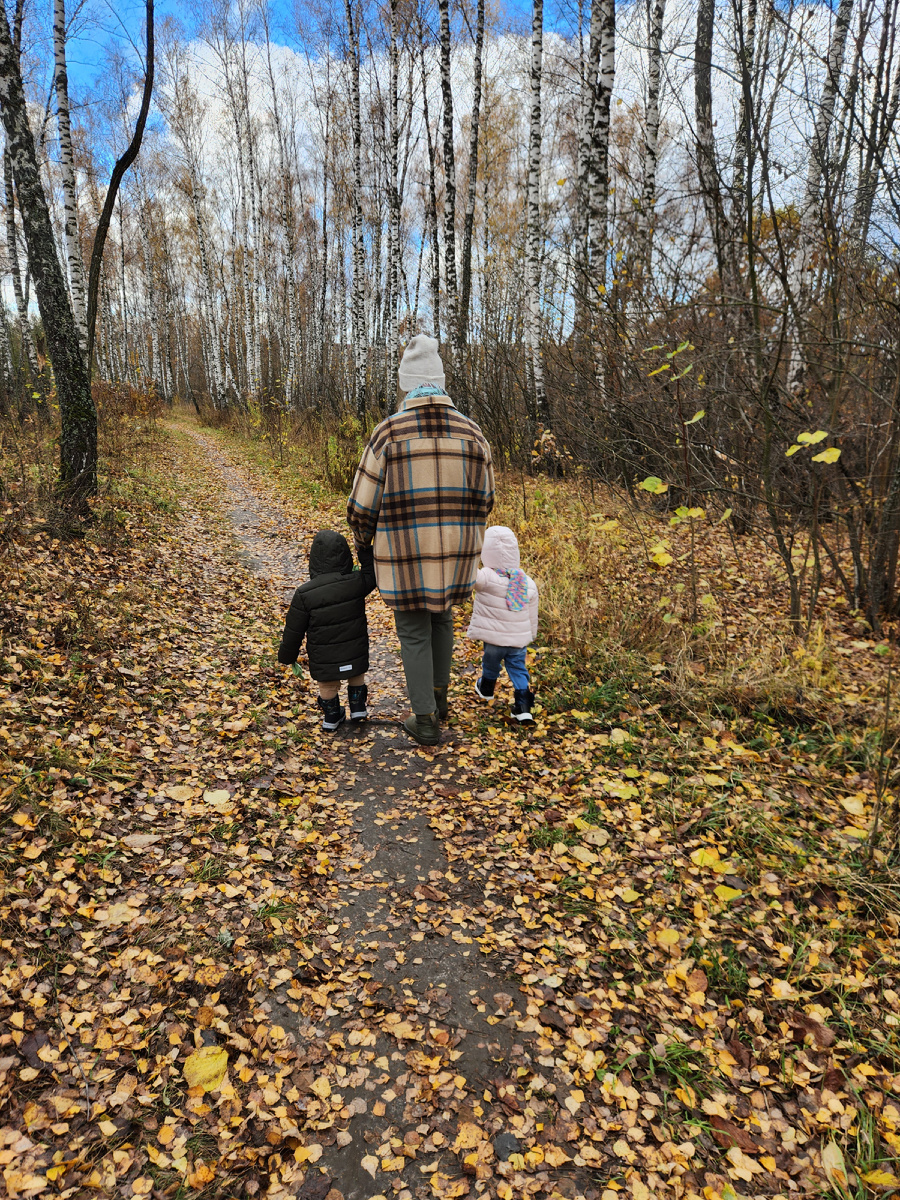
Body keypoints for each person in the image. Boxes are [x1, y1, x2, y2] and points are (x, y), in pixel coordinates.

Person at [347, 335, 494, 746]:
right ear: (440, 381)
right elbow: (487, 500)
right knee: (442, 617)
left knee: (413, 629)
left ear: (406, 383)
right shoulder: (473, 433)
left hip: (405, 557)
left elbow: (361, 507)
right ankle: (440, 700)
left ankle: (425, 718)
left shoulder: (388, 433)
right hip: (455, 556)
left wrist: (365, 544)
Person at [277, 530, 376, 731]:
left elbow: (294, 630)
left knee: (328, 684)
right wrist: (364, 550)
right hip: (354, 648)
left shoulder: (305, 594)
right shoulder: (355, 582)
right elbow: (372, 574)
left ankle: (331, 716)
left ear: (313, 560)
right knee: (355, 673)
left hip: (324, 656)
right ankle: (357, 706)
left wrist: (287, 656)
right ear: (345, 556)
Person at [466, 525, 538, 722]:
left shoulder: (487, 577)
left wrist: (470, 553)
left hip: (495, 641)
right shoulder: (527, 581)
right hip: (518, 642)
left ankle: (486, 687)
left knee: (490, 663)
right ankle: (523, 706)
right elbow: (532, 613)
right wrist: (531, 634)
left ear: (486, 551)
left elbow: (469, 575)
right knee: (518, 669)